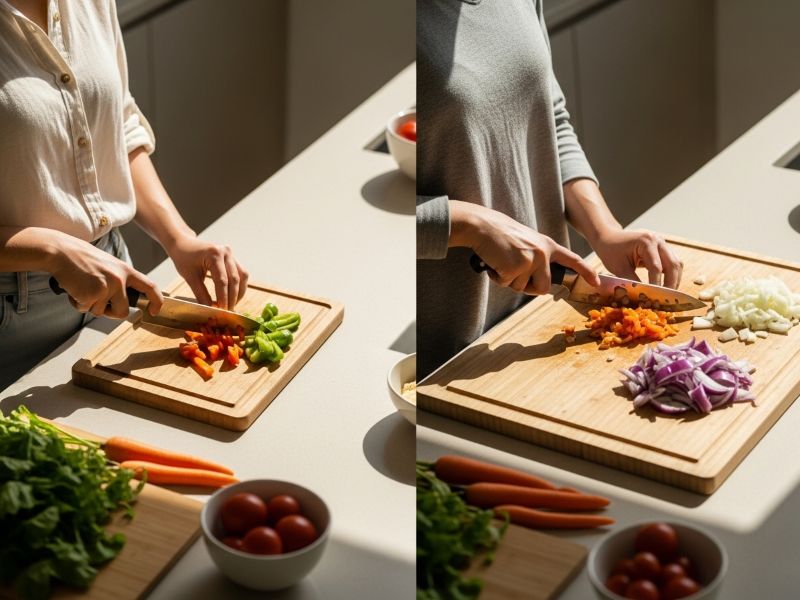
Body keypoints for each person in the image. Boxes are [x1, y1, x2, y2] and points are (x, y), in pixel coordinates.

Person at [417, 0, 683, 379]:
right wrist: (471, 224)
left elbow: (550, 120)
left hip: (538, 318)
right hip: (447, 354)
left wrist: (604, 231)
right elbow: (361, 217)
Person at [0, 0, 248, 388]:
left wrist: (179, 238)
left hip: (115, 282)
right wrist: (54, 250)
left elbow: (117, 129)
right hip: (13, 321)